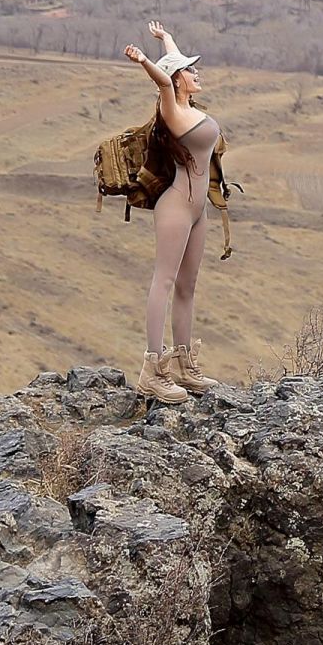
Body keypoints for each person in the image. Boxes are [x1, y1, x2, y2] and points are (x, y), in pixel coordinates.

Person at [119, 21, 225, 403]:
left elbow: (173, 72)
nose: (197, 74)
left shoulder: (187, 105)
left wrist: (165, 39)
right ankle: (152, 368)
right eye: (190, 71)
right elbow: (163, 81)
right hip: (177, 205)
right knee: (163, 282)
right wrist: (146, 59)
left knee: (187, 286)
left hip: (198, 210)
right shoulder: (171, 107)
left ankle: (183, 364)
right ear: (178, 80)